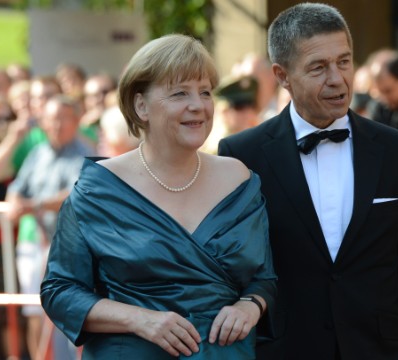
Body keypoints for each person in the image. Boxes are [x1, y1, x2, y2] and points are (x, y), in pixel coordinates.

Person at [218, 3, 398, 359]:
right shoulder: (242, 154)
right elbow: (236, 271)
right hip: (288, 349)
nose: (338, 78)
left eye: (344, 61)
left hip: (383, 350)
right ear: (282, 76)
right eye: (318, 67)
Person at [40, 34, 277, 359]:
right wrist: (140, 320)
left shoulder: (239, 179)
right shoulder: (99, 190)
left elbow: (264, 277)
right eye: (180, 93)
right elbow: (60, 291)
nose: (198, 104)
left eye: (205, 91)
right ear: (141, 106)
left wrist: (250, 306)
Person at [6, 95, 91, 360]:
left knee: (70, 312)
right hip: (38, 243)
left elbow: (76, 194)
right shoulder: (38, 153)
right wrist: (16, 202)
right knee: (34, 312)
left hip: (73, 249)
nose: (56, 124)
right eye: (52, 118)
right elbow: (16, 188)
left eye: (63, 118)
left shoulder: (86, 154)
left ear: (77, 121)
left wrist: (33, 205)